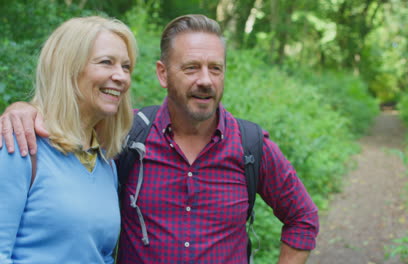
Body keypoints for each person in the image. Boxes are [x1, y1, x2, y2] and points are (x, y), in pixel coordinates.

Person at [0, 14, 319, 263]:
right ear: (163, 73)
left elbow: (303, 217)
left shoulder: (251, 146)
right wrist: (24, 109)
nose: (205, 80)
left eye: (216, 69)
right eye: (192, 67)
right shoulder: (127, 140)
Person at [0, 16, 137, 263]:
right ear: (68, 68)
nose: (121, 77)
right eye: (107, 62)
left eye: (126, 67)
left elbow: (102, 255)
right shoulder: (17, 145)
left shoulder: (105, 163)